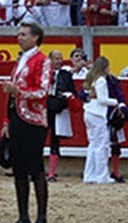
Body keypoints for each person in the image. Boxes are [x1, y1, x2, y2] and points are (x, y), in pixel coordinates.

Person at [0, 22, 53, 223]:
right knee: (18, 169)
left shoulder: (43, 60)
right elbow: (12, 94)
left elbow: (42, 91)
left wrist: (17, 90)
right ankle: (23, 217)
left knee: (35, 169)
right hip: (17, 118)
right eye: (18, 34)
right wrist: (6, 121)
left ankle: (42, 218)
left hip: (33, 121)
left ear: (35, 38)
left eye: (23, 34)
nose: (18, 37)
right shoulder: (21, 59)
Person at [81, 56, 117, 184]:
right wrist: (115, 102)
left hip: (89, 112)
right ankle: (102, 176)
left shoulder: (92, 79)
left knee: (93, 145)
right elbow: (102, 100)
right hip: (97, 114)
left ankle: (89, 175)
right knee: (102, 145)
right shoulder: (101, 80)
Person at [45, 51, 76, 182]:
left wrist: (67, 96)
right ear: (50, 60)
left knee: (54, 140)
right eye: (56, 58)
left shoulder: (66, 74)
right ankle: (37, 171)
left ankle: (51, 173)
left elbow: (73, 91)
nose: (59, 61)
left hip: (58, 108)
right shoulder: (44, 73)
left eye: (60, 58)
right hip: (44, 108)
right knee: (38, 139)